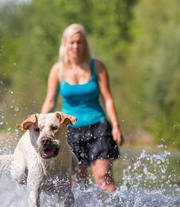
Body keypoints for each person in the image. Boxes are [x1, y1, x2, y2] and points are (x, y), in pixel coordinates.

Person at [41, 23, 123, 193]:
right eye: (71, 43)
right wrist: (41, 130)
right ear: (64, 44)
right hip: (69, 130)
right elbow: (50, 101)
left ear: (85, 44)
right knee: (77, 182)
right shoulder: (57, 70)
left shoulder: (97, 67)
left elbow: (107, 98)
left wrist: (115, 125)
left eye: (79, 42)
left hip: (98, 126)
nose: (75, 46)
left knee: (104, 176)